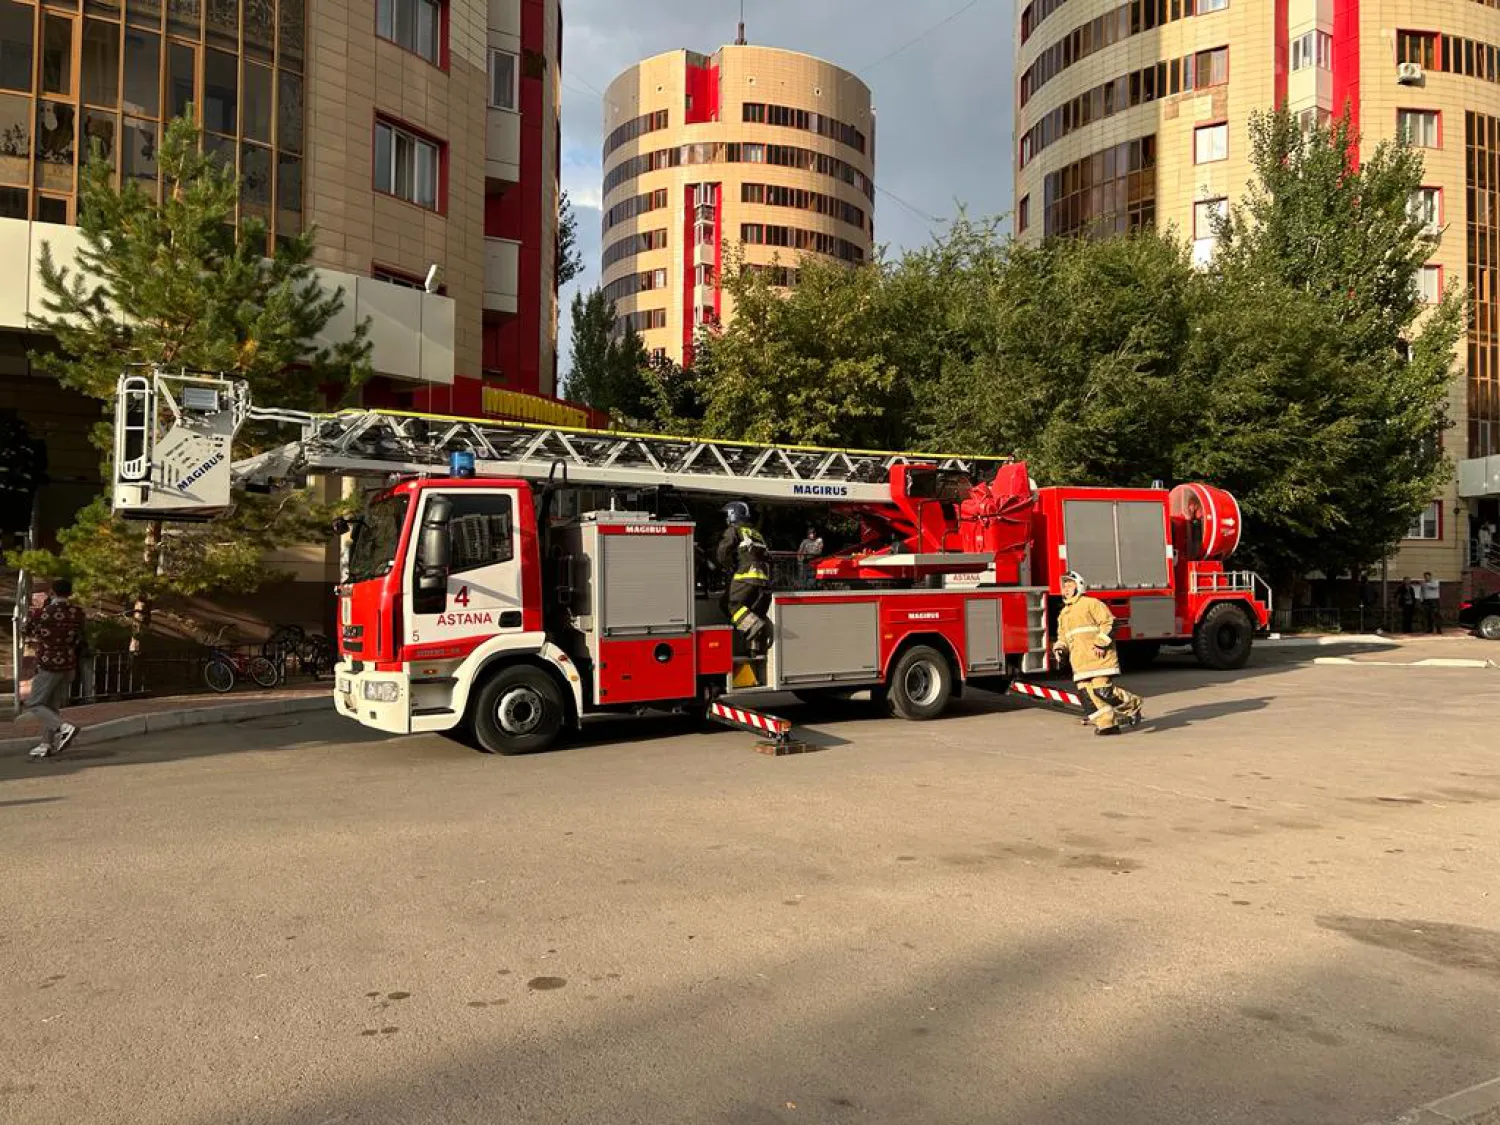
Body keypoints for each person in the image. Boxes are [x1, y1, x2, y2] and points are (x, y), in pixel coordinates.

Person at [1052, 570, 1143, 736]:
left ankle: (1133, 704)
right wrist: (1059, 648)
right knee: (1088, 697)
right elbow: (1062, 637)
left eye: (1069, 585)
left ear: (1079, 586)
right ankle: (1107, 724)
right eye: (1063, 586)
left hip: (1099, 659)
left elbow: (1110, 623)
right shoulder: (1064, 614)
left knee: (1102, 691)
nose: (1065, 589)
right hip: (1079, 663)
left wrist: (1101, 644)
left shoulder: (1091, 603)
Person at [22, 577, 87, 760]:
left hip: (49, 663)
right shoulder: (77, 613)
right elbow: (81, 637)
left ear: (52, 592)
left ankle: (64, 728)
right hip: (69, 663)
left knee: (35, 703)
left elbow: (26, 630)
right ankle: (46, 744)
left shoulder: (44, 613)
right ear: (70, 593)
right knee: (52, 705)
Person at [718, 501, 772, 651]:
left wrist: (723, 566)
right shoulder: (757, 534)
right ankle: (754, 647)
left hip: (746, 576)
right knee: (749, 610)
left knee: (729, 604)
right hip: (763, 578)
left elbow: (723, 553)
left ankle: (753, 625)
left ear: (732, 515)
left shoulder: (734, 530)